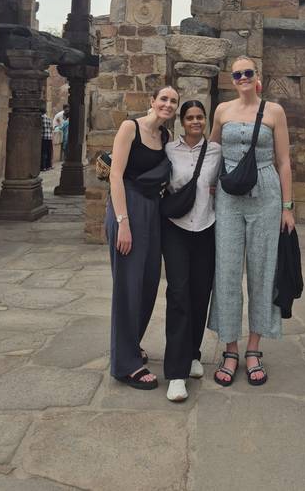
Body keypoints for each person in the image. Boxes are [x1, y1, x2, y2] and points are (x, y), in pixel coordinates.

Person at [208, 56, 295, 388]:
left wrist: (287, 207)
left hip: (266, 193)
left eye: (248, 72)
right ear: (232, 80)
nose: (242, 77)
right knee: (227, 269)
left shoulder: (274, 112)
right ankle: (230, 348)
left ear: (257, 76)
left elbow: (283, 161)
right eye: (237, 74)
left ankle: (254, 348)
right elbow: (212, 151)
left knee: (263, 269)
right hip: (229, 196)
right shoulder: (222, 111)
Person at [105, 85, 179, 390]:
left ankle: (131, 344)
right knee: (128, 285)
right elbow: (115, 175)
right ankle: (126, 365)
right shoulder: (130, 128)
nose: (168, 104)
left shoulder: (165, 137)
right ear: (152, 101)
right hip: (128, 207)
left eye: (173, 101)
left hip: (153, 211)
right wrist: (123, 222)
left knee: (148, 283)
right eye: (163, 99)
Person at [163, 101, 222, 402]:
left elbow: (224, 182)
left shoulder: (215, 151)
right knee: (178, 295)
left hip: (206, 227)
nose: (195, 122)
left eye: (200, 117)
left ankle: (192, 353)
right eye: (190, 117)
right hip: (175, 228)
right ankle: (176, 373)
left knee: (200, 294)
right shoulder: (169, 150)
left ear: (206, 120)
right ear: (181, 121)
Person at [40, 105, 53, 171]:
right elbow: (51, 128)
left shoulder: (41, 118)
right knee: (48, 152)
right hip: (49, 137)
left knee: (43, 152)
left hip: (43, 137)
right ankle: (48, 166)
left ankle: (43, 166)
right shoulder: (48, 118)